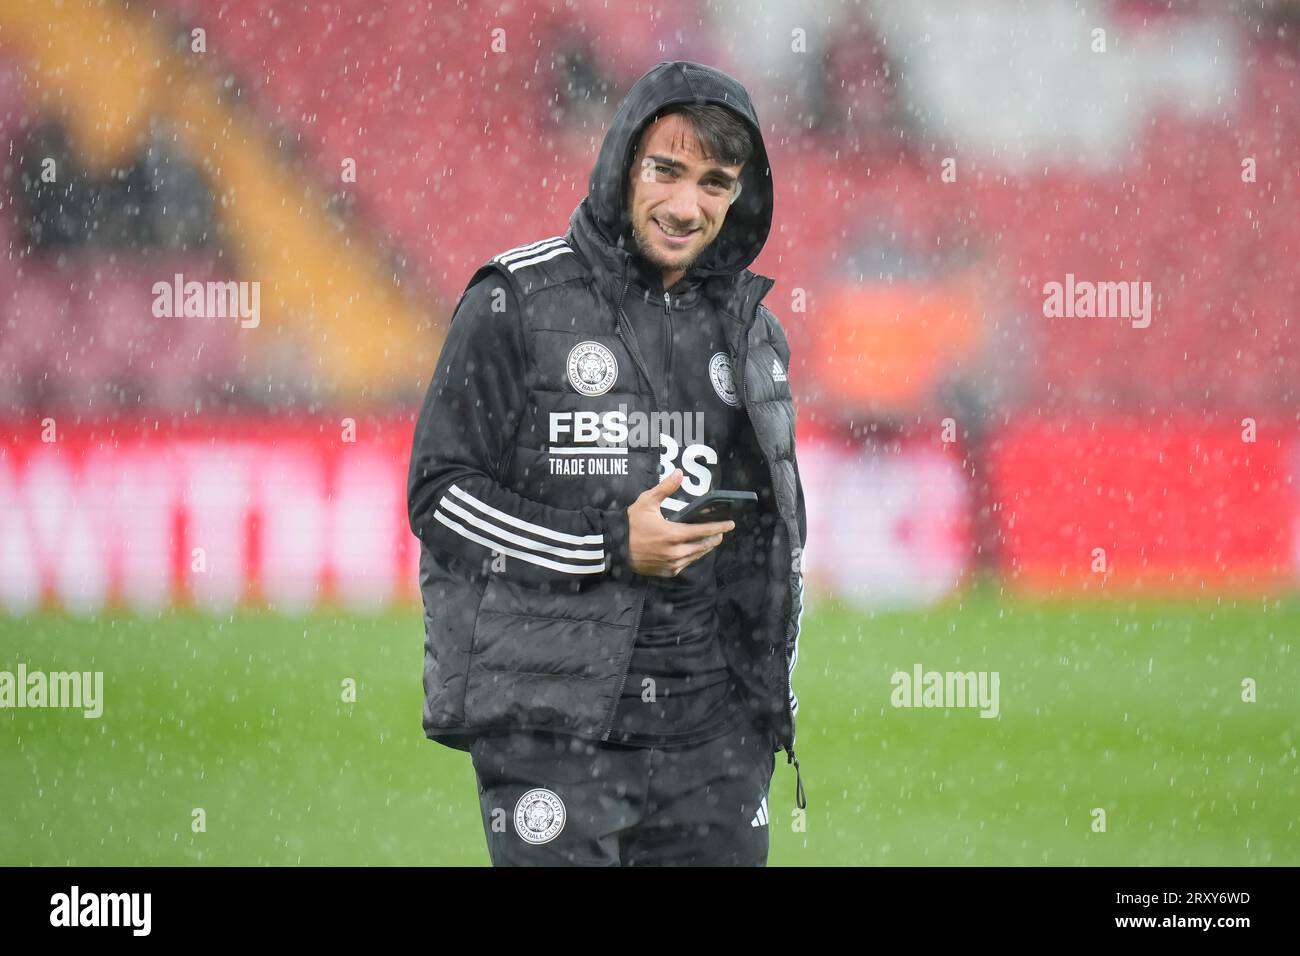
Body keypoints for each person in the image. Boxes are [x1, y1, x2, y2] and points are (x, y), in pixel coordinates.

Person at [408, 60, 807, 866]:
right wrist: (608, 543)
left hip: (714, 743)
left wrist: (761, 710)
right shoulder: (512, 300)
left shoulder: (752, 332)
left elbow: (766, 540)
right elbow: (439, 496)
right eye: (667, 170)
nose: (688, 206)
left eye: (716, 183)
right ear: (624, 160)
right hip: (554, 734)